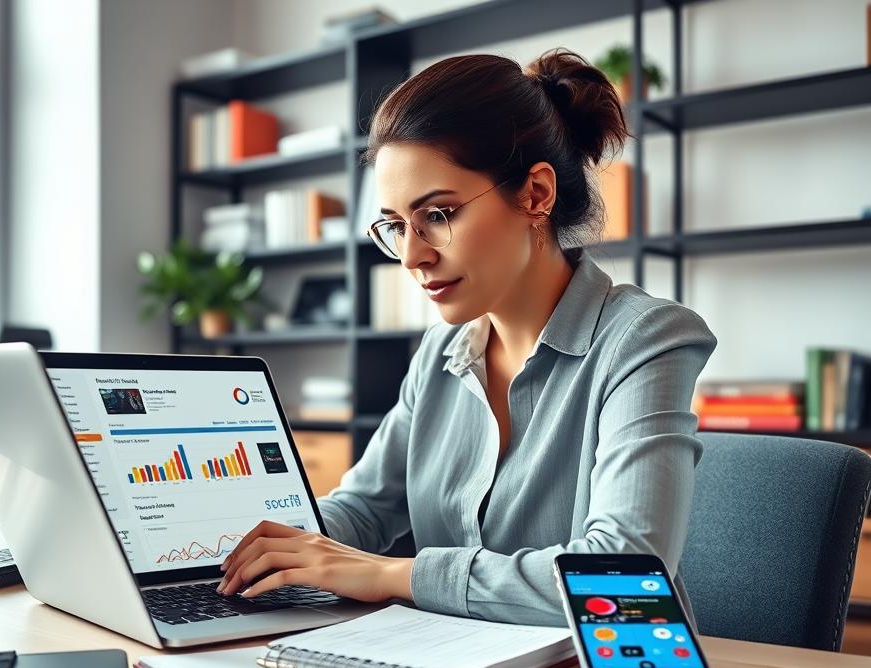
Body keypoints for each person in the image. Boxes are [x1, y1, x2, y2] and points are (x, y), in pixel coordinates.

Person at [216, 48, 717, 626]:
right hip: (444, 666)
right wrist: (259, 548)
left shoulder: (644, 339)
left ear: (536, 194)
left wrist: (390, 575)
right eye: (396, 225)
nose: (411, 256)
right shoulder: (438, 355)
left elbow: (626, 574)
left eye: (438, 215)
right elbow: (363, 509)